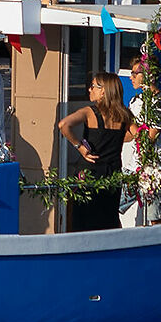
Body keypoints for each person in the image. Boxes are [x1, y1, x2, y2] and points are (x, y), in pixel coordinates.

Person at [56, 73, 133, 232]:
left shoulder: (90, 112)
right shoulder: (125, 114)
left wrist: (79, 146)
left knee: (82, 221)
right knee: (107, 220)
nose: (89, 89)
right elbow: (137, 134)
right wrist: (117, 139)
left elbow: (64, 124)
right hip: (112, 173)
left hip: (89, 171)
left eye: (93, 86)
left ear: (103, 91)